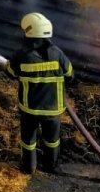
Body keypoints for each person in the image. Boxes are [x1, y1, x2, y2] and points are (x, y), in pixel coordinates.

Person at [5, 12, 73, 174]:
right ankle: (52, 166)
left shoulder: (22, 55)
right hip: (53, 110)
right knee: (52, 140)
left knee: (28, 140)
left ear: (29, 33)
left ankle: (28, 167)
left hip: (31, 110)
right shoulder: (58, 53)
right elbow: (70, 75)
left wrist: (8, 65)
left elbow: (11, 73)